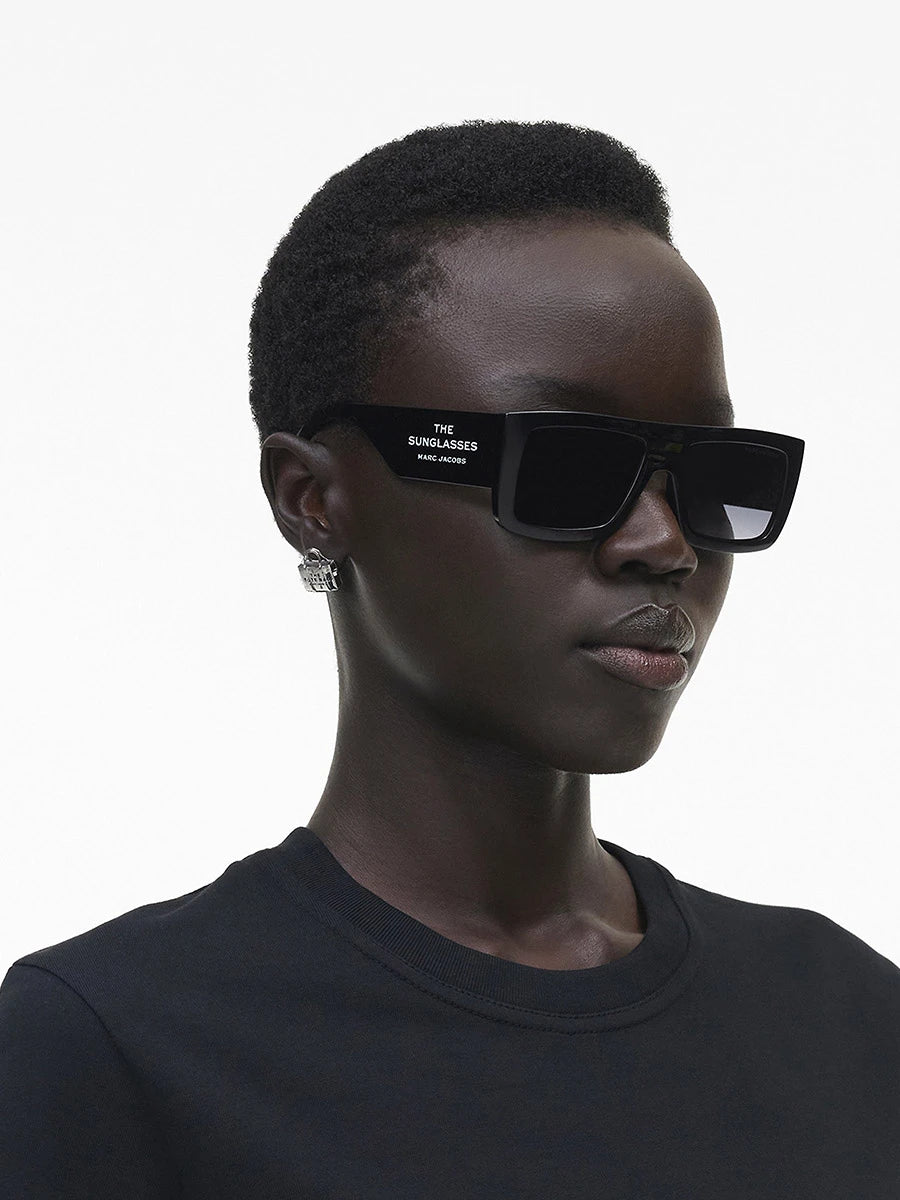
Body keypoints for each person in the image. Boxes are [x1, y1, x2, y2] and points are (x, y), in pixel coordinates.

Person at [1, 118, 897, 1198]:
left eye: (715, 474)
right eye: (564, 467)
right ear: (313, 499)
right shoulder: (111, 1049)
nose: (665, 544)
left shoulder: (848, 1024)